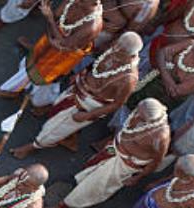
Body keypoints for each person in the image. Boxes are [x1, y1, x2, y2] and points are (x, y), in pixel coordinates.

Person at [10, 33, 142, 157]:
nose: (115, 50)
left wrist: (88, 115)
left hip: (88, 105)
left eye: (120, 51)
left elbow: (116, 104)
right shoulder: (115, 50)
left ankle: (32, 147)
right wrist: (80, 74)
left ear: (131, 56)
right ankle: (70, 138)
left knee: (55, 128)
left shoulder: (128, 79)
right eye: (116, 46)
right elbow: (96, 64)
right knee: (58, 111)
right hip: (77, 89)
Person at [49, 98, 171, 208]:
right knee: (91, 169)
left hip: (123, 164)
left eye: (142, 117)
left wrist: (138, 177)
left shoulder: (160, 138)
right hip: (112, 149)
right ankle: (84, 191)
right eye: (138, 112)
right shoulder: (139, 113)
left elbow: (156, 161)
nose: (137, 116)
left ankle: (61, 206)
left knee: (92, 184)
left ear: (152, 120)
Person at [0, 0, 104, 107]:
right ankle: (14, 90)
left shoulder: (92, 26)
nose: (77, 1)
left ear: (94, 2)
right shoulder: (73, 1)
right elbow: (56, 17)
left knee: (44, 85)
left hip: (61, 58)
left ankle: (42, 105)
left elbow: (65, 44)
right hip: (50, 41)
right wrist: (51, 34)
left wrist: (50, 21)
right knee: (29, 65)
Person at [121, 34, 194, 112]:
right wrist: (168, 75)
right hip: (149, 82)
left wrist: (165, 65)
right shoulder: (190, 44)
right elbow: (162, 53)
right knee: (126, 99)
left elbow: (173, 92)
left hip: (160, 100)